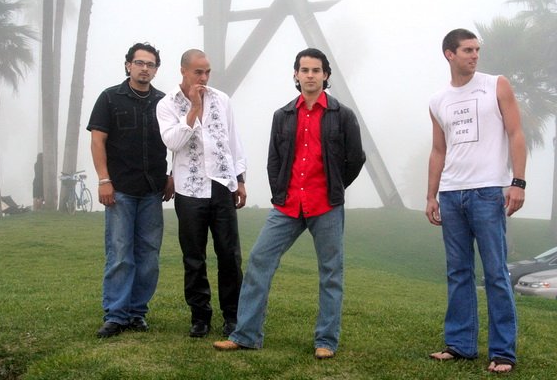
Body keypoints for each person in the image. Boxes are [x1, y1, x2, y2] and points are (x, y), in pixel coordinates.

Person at [213, 48, 366, 359]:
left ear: (325, 75)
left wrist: (334, 187)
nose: (310, 75)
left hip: (326, 205)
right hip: (288, 205)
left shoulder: (343, 115)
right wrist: (280, 191)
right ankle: (246, 335)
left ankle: (326, 341)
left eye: (316, 70)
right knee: (259, 260)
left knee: (331, 273)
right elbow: (274, 160)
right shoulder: (282, 115)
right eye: (304, 70)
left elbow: (355, 159)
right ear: (296, 74)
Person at [426, 29, 526, 374]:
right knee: (458, 272)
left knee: (496, 272)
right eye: (467, 50)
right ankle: (460, 345)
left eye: (476, 50)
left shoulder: (496, 84)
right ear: (449, 54)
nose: (475, 55)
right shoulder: (437, 100)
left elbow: (516, 133)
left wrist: (518, 182)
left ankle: (503, 352)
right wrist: (431, 195)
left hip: (488, 191)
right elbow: (438, 149)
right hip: (451, 193)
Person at [156, 49, 247, 338]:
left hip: (222, 184)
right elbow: (172, 142)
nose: (204, 77)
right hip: (189, 189)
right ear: (183, 70)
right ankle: (200, 317)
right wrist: (194, 108)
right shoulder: (167, 104)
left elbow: (233, 142)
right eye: (198, 72)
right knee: (194, 257)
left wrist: (240, 179)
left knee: (229, 255)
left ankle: (233, 316)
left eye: (207, 71)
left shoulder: (222, 100)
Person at [87, 42, 170, 338]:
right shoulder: (110, 98)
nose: (144, 68)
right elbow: (98, 141)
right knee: (120, 253)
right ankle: (116, 315)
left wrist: (171, 175)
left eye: (150, 64)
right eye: (139, 63)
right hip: (120, 189)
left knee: (149, 255)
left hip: (152, 190)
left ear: (156, 70)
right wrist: (104, 180)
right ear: (128, 65)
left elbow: (178, 139)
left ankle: (137, 313)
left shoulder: (164, 102)